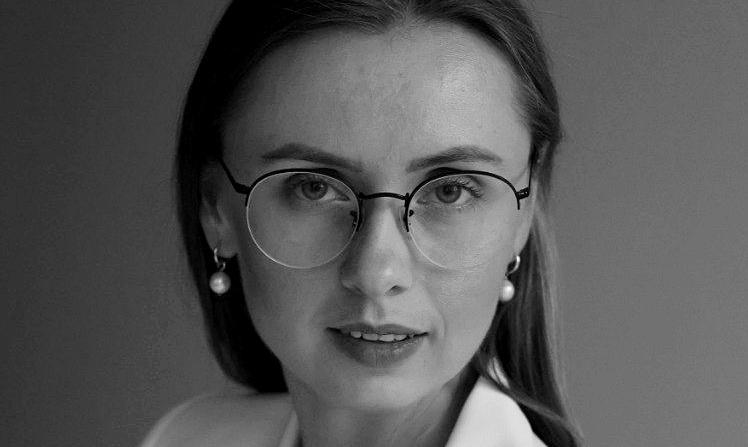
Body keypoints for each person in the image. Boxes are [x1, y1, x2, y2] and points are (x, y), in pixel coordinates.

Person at [142, 1, 580, 445]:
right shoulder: (184, 437)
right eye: (314, 188)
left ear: (525, 210)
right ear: (215, 207)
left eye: (450, 190)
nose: (377, 273)